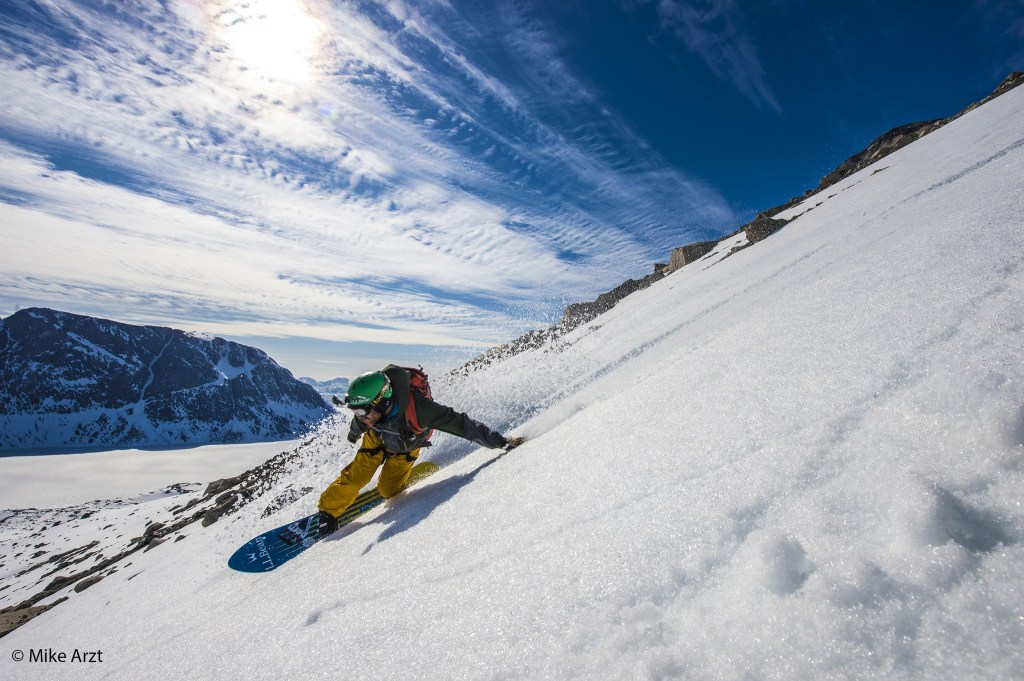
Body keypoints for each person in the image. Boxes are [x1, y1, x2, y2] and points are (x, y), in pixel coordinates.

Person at [316, 364, 523, 536]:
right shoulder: (370, 415)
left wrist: (500, 442)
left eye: (361, 412)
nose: (359, 417)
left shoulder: (421, 410)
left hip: (404, 448)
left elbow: (461, 424)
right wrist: (354, 433)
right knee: (357, 476)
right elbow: (361, 421)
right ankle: (328, 511)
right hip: (377, 439)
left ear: (383, 402)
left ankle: (407, 476)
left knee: (388, 491)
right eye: (355, 412)